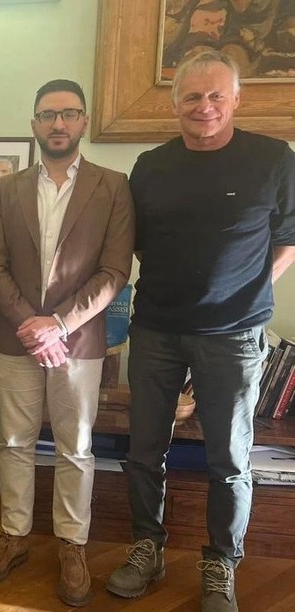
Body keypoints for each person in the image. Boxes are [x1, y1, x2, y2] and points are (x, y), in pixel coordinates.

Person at [106, 50, 295, 612]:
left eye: (216, 96)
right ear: (174, 104)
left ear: (236, 99)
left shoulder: (273, 158)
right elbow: (136, 242)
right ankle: (148, 547)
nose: (204, 107)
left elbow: (287, 238)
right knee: (144, 449)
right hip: (157, 329)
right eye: (192, 97)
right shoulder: (149, 166)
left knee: (229, 460)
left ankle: (220, 564)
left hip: (234, 334)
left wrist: (246, 288)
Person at [0, 79, 134, 607]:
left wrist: (59, 325)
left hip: (80, 342)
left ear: (84, 121)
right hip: (16, 338)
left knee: (76, 448)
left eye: (68, 114)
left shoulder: (113, 186)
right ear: (34, 124)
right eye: (48, 115)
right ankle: (14, 534)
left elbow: (115, 271)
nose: (58, 124)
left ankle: (72, 543)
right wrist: (32, 324)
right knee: (16, 442)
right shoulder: (6, 187)